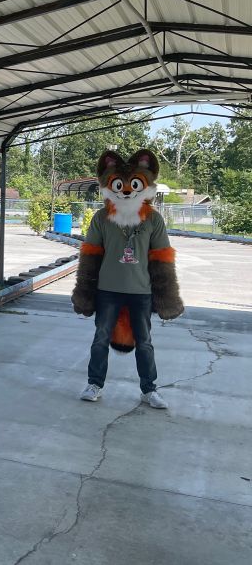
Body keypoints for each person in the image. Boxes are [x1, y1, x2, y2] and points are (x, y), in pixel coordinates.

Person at [71, 149, 184, 408]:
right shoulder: (101, 218)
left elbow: (162, 259)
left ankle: (149, 389)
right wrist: (84, 293)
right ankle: (94, 384)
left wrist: (167, 298)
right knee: (100, 338)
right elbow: (89, 257)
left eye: (133, 184)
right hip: (107, 290)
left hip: (141, 291)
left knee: (145, 342)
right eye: (118, 184)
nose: (125, 190)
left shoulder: (153, 219)